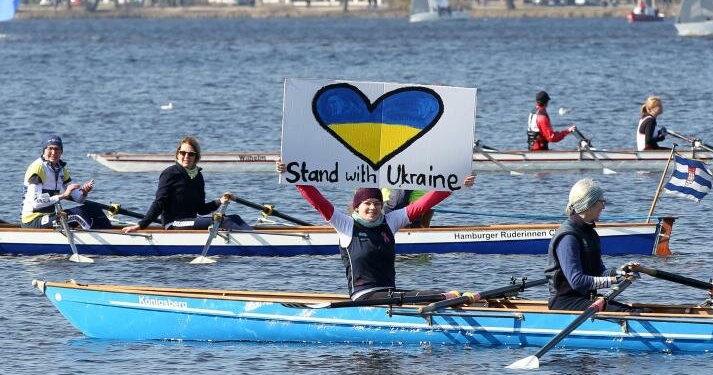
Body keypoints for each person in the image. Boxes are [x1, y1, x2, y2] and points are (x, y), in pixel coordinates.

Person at [277, 161, 475, 300]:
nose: (373, 208)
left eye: (377, 204)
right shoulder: (345, 224)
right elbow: (318, 202)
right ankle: (446, 297)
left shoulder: (390, 221)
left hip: (390, 295)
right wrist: (295, 177)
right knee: (444, 295)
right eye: (367, 204)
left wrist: (455, 184)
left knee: (440, 293)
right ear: (356, 207)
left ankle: (447, 298)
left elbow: (423, 204)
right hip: (364, 297)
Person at [122, 136, 249, 233]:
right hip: (173, 224)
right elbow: (159, 203)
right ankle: (252, 244)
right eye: (183, 153)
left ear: (196, 157)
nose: (186, 156)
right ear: (178, 154)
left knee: (235, 217)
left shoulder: (198, 176)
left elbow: (201, 209)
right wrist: (141, 225)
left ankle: (256, 239)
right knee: (222, 220)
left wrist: (220, 201)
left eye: (191, 154)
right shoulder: (170, 173)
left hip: (190, 221)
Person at [545, 179, 637, 311]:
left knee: (641, 311)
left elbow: (599, 272)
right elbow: (577, 282)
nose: (604, 207)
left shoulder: (591, 234)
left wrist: (622, 272)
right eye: (602, 202)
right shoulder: (568, 237)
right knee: (629, 313)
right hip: (565, 303)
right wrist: (616, 279)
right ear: (589, 204)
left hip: (586, 299)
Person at [21, 134, 112, 230]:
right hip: (32, 221)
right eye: (50, 149)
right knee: (78, 215)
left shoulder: (61, 169)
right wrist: (63, 195)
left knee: (94, 209)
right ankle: (97, 242)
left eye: (57, 149)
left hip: (49, 217)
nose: (53, 152)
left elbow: (79, 199)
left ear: (61, 152)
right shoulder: (37, 168)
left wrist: (84, 192)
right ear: (44, 150)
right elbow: (35, 203)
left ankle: (113, 237)